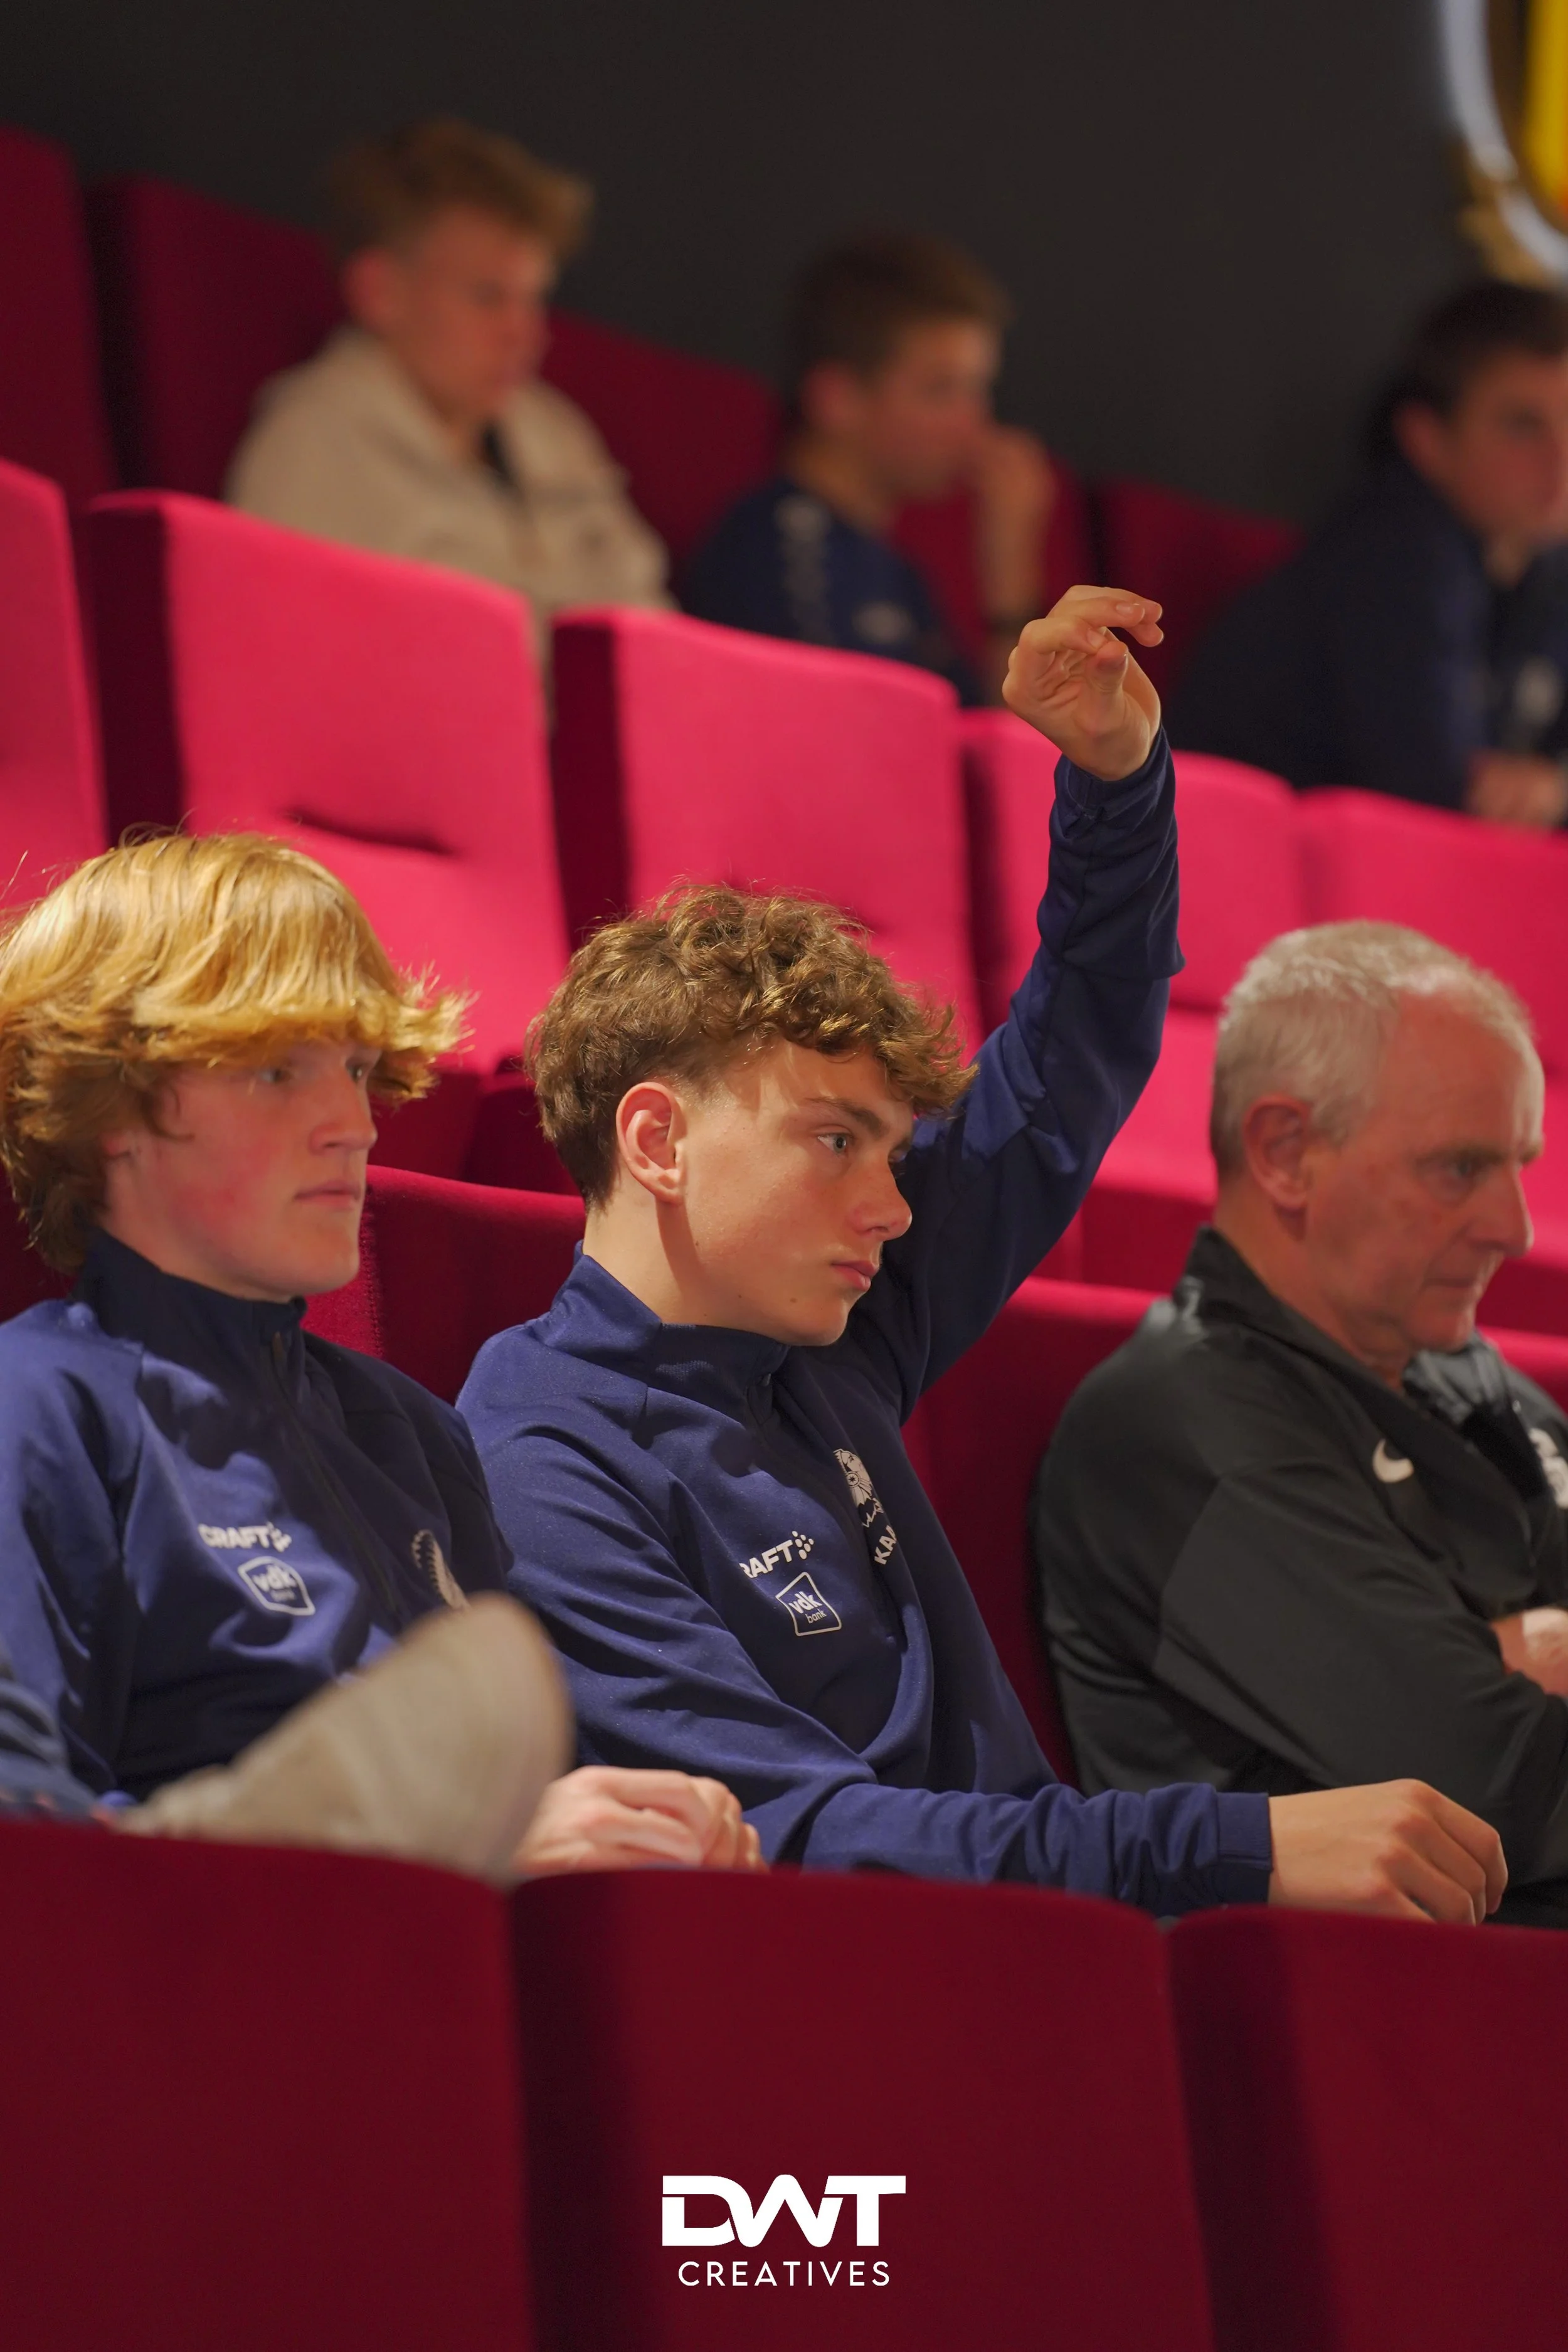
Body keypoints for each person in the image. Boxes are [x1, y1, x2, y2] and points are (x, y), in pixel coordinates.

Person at [461, 586, 1505, 1926]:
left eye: (893, 1158)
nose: (893, 1209)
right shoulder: (537, 1457)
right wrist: (1232, 1851)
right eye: (835, 1143)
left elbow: (1067, 1056)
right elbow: (798, 1839)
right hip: (898, 2013)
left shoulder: (833, 1335)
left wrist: (1115, 780)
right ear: (656, 1141)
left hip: (1062, 1955)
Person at [0, 832, 760, 1883]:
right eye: (277, 1071)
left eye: (357, 1071)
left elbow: (536, 1798)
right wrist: (450, 1855)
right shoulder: (36, 1407)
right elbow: (31, 1841)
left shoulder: (412, 1429)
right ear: (111, 1108)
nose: (353, 1126)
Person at [1031, 921, 1568, 1928]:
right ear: (1285, 1152)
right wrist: (1498, 1655)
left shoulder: (1459, 1368)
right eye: (1459, 1168)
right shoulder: (1177, 1424)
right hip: (1405, 2027)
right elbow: (1506, 1783)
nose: (1517, 1226)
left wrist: (1498, 1646)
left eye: (1519, 1163)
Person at [226, 117, 669, 654]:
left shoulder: (557, 432)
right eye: (488, 296)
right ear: (379, 290)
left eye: (534, 298)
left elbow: (654, 635)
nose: (524, 333)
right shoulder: (311, 442)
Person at [1173, 282, 1568, 826]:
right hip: (1217, 868)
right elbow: (1441, 803)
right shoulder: (1398, 554)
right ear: (1427, 439)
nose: (1560, 458)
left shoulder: (1543, 564)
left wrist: (1553, 787)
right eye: (1522, 425)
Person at [684, 233, 1055, 705]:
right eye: (941, 390)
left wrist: (1010, 576)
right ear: (838, 400)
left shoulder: (902, 576)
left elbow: (996, 755)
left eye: (979, 391)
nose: (974, 424)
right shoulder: (774, 549)